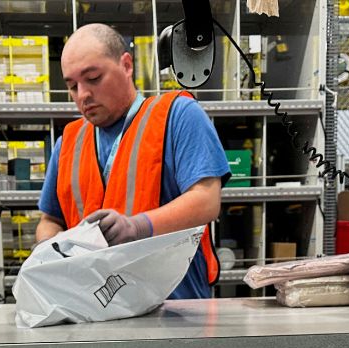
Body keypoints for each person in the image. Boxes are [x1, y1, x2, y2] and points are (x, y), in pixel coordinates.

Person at [36, 24, 231, 299]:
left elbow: (206, 200)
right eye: (72, 86)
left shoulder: (178, 116)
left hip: (175, 311)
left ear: (126, 65)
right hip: (92, 309)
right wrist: (51, 250)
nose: (82, 95)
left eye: (93, 78)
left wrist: (136, 227)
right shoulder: (68, 142)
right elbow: (49, 219)